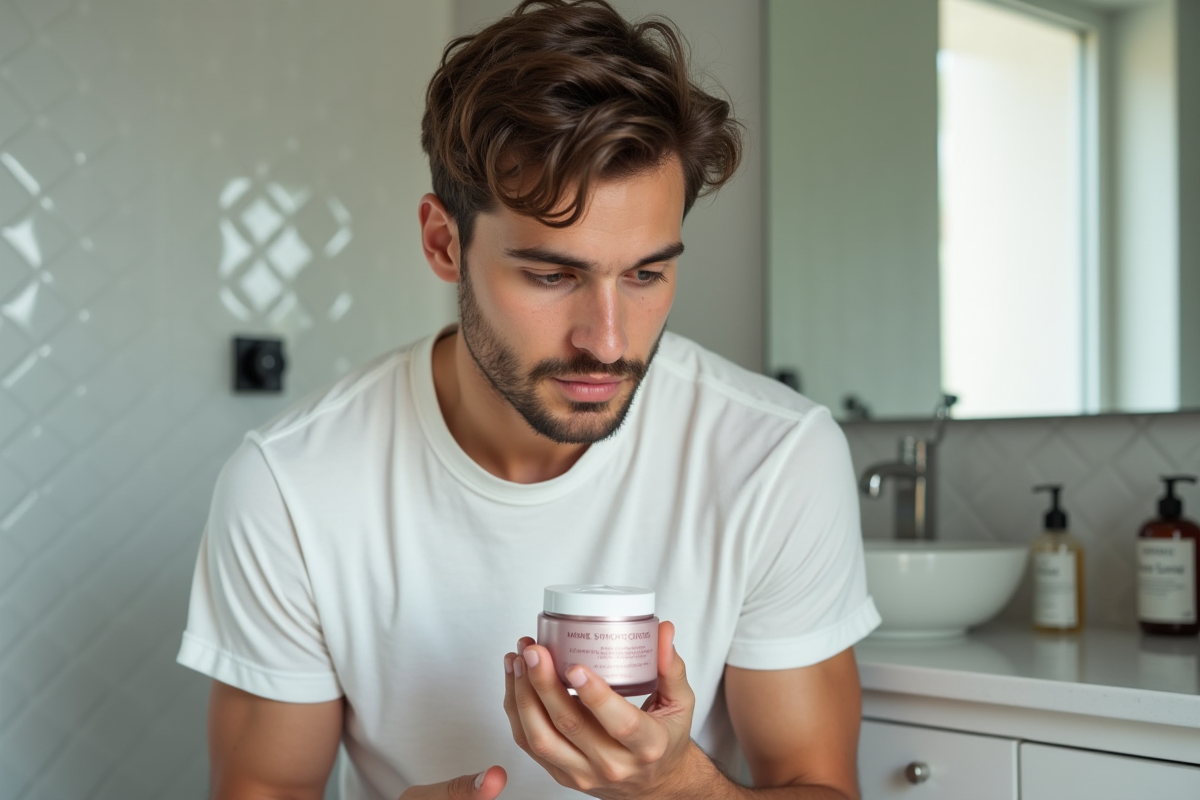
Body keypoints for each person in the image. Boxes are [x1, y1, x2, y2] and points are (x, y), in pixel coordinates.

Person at [177, 1, 880, 798]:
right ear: (445, 243)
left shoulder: (776, 458)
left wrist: (675, 782)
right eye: (553, 275)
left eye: (646, 274)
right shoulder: (291, 485)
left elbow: (820, 784)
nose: (608, 340)